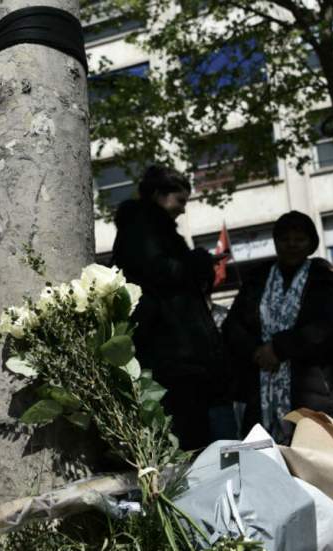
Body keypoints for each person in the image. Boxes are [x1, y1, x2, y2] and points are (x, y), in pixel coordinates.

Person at [111, 165, 230, 449]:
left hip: (176, 351)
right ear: (158, 195)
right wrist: (198, 262)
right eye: (180, 201)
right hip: (170, 351)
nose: (183, 210)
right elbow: (160, 272)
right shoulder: (142, 228)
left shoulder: (154, 230)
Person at [223, 211, 333, 443]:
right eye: (285, 239)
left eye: (299, 239)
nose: (292, 245)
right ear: (276, 242)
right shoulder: (256, 280)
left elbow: (331, 326)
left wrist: (280, 348)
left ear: (311, 244)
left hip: (315, 395)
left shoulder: (323, 280)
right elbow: (233, 326)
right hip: (260, 395)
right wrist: (258, 352)